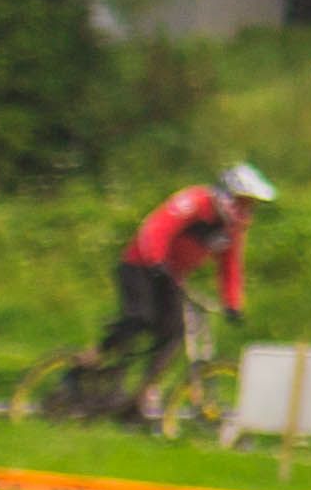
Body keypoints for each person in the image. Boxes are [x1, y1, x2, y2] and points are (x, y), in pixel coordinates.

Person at [100, 164, 274, 412]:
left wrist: (233, 304)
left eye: (251, 205)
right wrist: (156, 260)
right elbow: (157, 228)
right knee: (139, 318)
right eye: (244, 203)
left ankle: (140, 396)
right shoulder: (195, 201)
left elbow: (230, 266)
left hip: (171, 276)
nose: (247, 210)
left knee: (173, 334)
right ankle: (99, 359)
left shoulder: (231, 229)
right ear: (228, 196)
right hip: (140, 265)